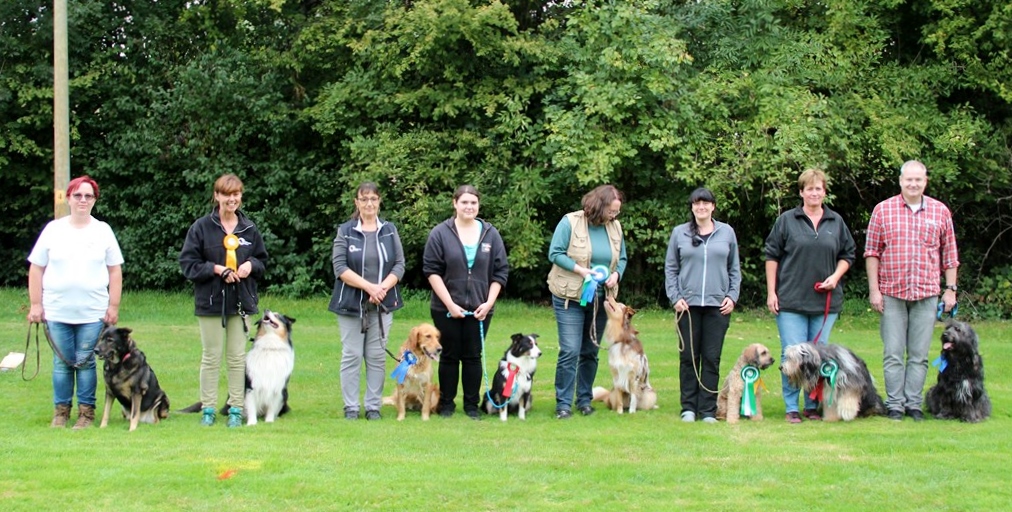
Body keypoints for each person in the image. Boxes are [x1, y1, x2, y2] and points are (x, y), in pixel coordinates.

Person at [865, 160, 959, 422]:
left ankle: (913, 404)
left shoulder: (940, 212)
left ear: (925, 181)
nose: (913, 184)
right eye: (909, 180)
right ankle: (895, 405)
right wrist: (875, 290)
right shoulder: (883, 210)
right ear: (900, 181)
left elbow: (950, 255)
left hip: (927, 294)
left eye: (918, 180)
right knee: (893, 353)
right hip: (892, 293)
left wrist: (950, 290)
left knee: (918, 356)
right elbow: (872, 253)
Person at [27, 176, 123, 429]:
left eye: (88, 196)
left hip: (92, 312)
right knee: (62, 362)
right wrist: (36, 305)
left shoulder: (103, 231)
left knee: (85, 361)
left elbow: (115, 270)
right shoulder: (53, 230)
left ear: (94, 200)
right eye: (78, 195)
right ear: (68, 198)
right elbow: (36, 268)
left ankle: (86, 414)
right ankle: (60, 412)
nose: (82, 200)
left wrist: (113, 307)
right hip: (58, 310)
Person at [764, 169, 856, 424]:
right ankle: (791, 407)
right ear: (801, 191)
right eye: (809, 188)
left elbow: (848, 255)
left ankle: (812, 405)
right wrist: (772, 292)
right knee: (791, 356)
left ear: (824, 192)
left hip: (825, 304)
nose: (814, 193)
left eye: (819, 188)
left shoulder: (836, 222)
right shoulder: (786, 220)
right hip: (791, 301)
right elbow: (771, 256)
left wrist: (835, 277)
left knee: (818, 357)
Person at [180, 173, 268, 428]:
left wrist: (251, 265)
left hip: (242, 302)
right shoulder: (201, 228)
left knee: (237, 357)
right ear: (217, 196)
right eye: (227, 194)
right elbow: (189, 265)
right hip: (210, 303)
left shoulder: (249, 228)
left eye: (236, 194)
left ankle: (235, 408)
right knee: (211, 356)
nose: (232, 199)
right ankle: (207, 408)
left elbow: (263, 260)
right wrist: (218, 270)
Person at [422, 185, 509, 420]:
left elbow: (500, 272)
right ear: (455, 203)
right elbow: (431, 270)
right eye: (464, 202)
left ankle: (471, 405)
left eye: (473, 203)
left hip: (480, 308)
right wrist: (450, 304)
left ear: (478, 205)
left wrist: (489, 303)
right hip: (445, 308)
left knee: (473, 356)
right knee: (449, 355)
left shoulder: (491, 234)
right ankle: (447, 404)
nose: (469, 207)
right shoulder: (440, 233)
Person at [547, 184, 628, 419]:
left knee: (590, 351)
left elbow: (621, 258)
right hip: (569, 298)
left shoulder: (616, 227)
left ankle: (584, 400)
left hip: (601, 299)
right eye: (611, 211)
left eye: (617, 212)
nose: (614, 216)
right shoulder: (570, 222)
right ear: (599, 206)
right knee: (570, 350)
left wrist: (616, 274)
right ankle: (563, 404)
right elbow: (555, 253)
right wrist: (580, 271)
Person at [329, 182, 406, 421]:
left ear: (379, 201)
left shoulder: (390, 230)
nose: (369, 204)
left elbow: (399, 265)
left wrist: (382, 288)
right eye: (364, 199)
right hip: (351, 304)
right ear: (356, 203)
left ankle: (373, 406)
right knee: (352, 354)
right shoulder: (346, 230)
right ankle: (351, 407)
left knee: (376, 356)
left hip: (383, 302)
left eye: (373, 199)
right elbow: (339, 267)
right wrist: (368, 287)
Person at [665, 187, 742, 424]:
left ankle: (708, 409)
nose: (701, 207)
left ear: (713, 207)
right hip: (687, 306)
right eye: (697, 203)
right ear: (692, 207)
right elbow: (671, 268)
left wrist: (732, 296)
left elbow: (734, 269)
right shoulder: (680, 233)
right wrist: (675, 297)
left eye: (706, 203)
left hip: (717, 306)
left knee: (711, 357)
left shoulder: (726, 232)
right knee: (688, 357)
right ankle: (688, 407)